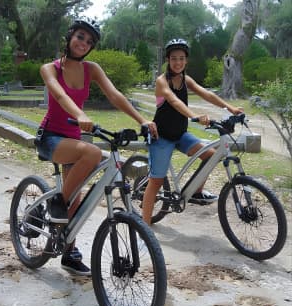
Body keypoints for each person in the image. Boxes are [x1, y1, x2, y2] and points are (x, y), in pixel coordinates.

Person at [35, 16, 158, 275]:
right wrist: (79, 115)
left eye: (89, 41)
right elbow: (59, 93)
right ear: (69, 37)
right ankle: (54, 204)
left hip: (73, 141)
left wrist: (143, 119)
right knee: (91, 154)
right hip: (51, 138)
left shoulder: (92, 68)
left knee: (77, 200)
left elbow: (115, 95)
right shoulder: (50, 68)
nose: (84, 43)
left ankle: (68, 252)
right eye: (80, 37)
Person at [142, 38, 243, 225]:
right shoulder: (162, 81)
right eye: (174, 58)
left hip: (180, 135)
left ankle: (196, 192)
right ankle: (143, 227)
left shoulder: (186, 79)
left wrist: (230, 108)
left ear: (186, 60)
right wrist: (194, 116)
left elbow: (207, 94)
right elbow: (173, 101)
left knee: (211, 156)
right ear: (168, 60)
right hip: (161, 137)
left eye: (181, 58)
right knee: (156, 182)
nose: (178, 62)